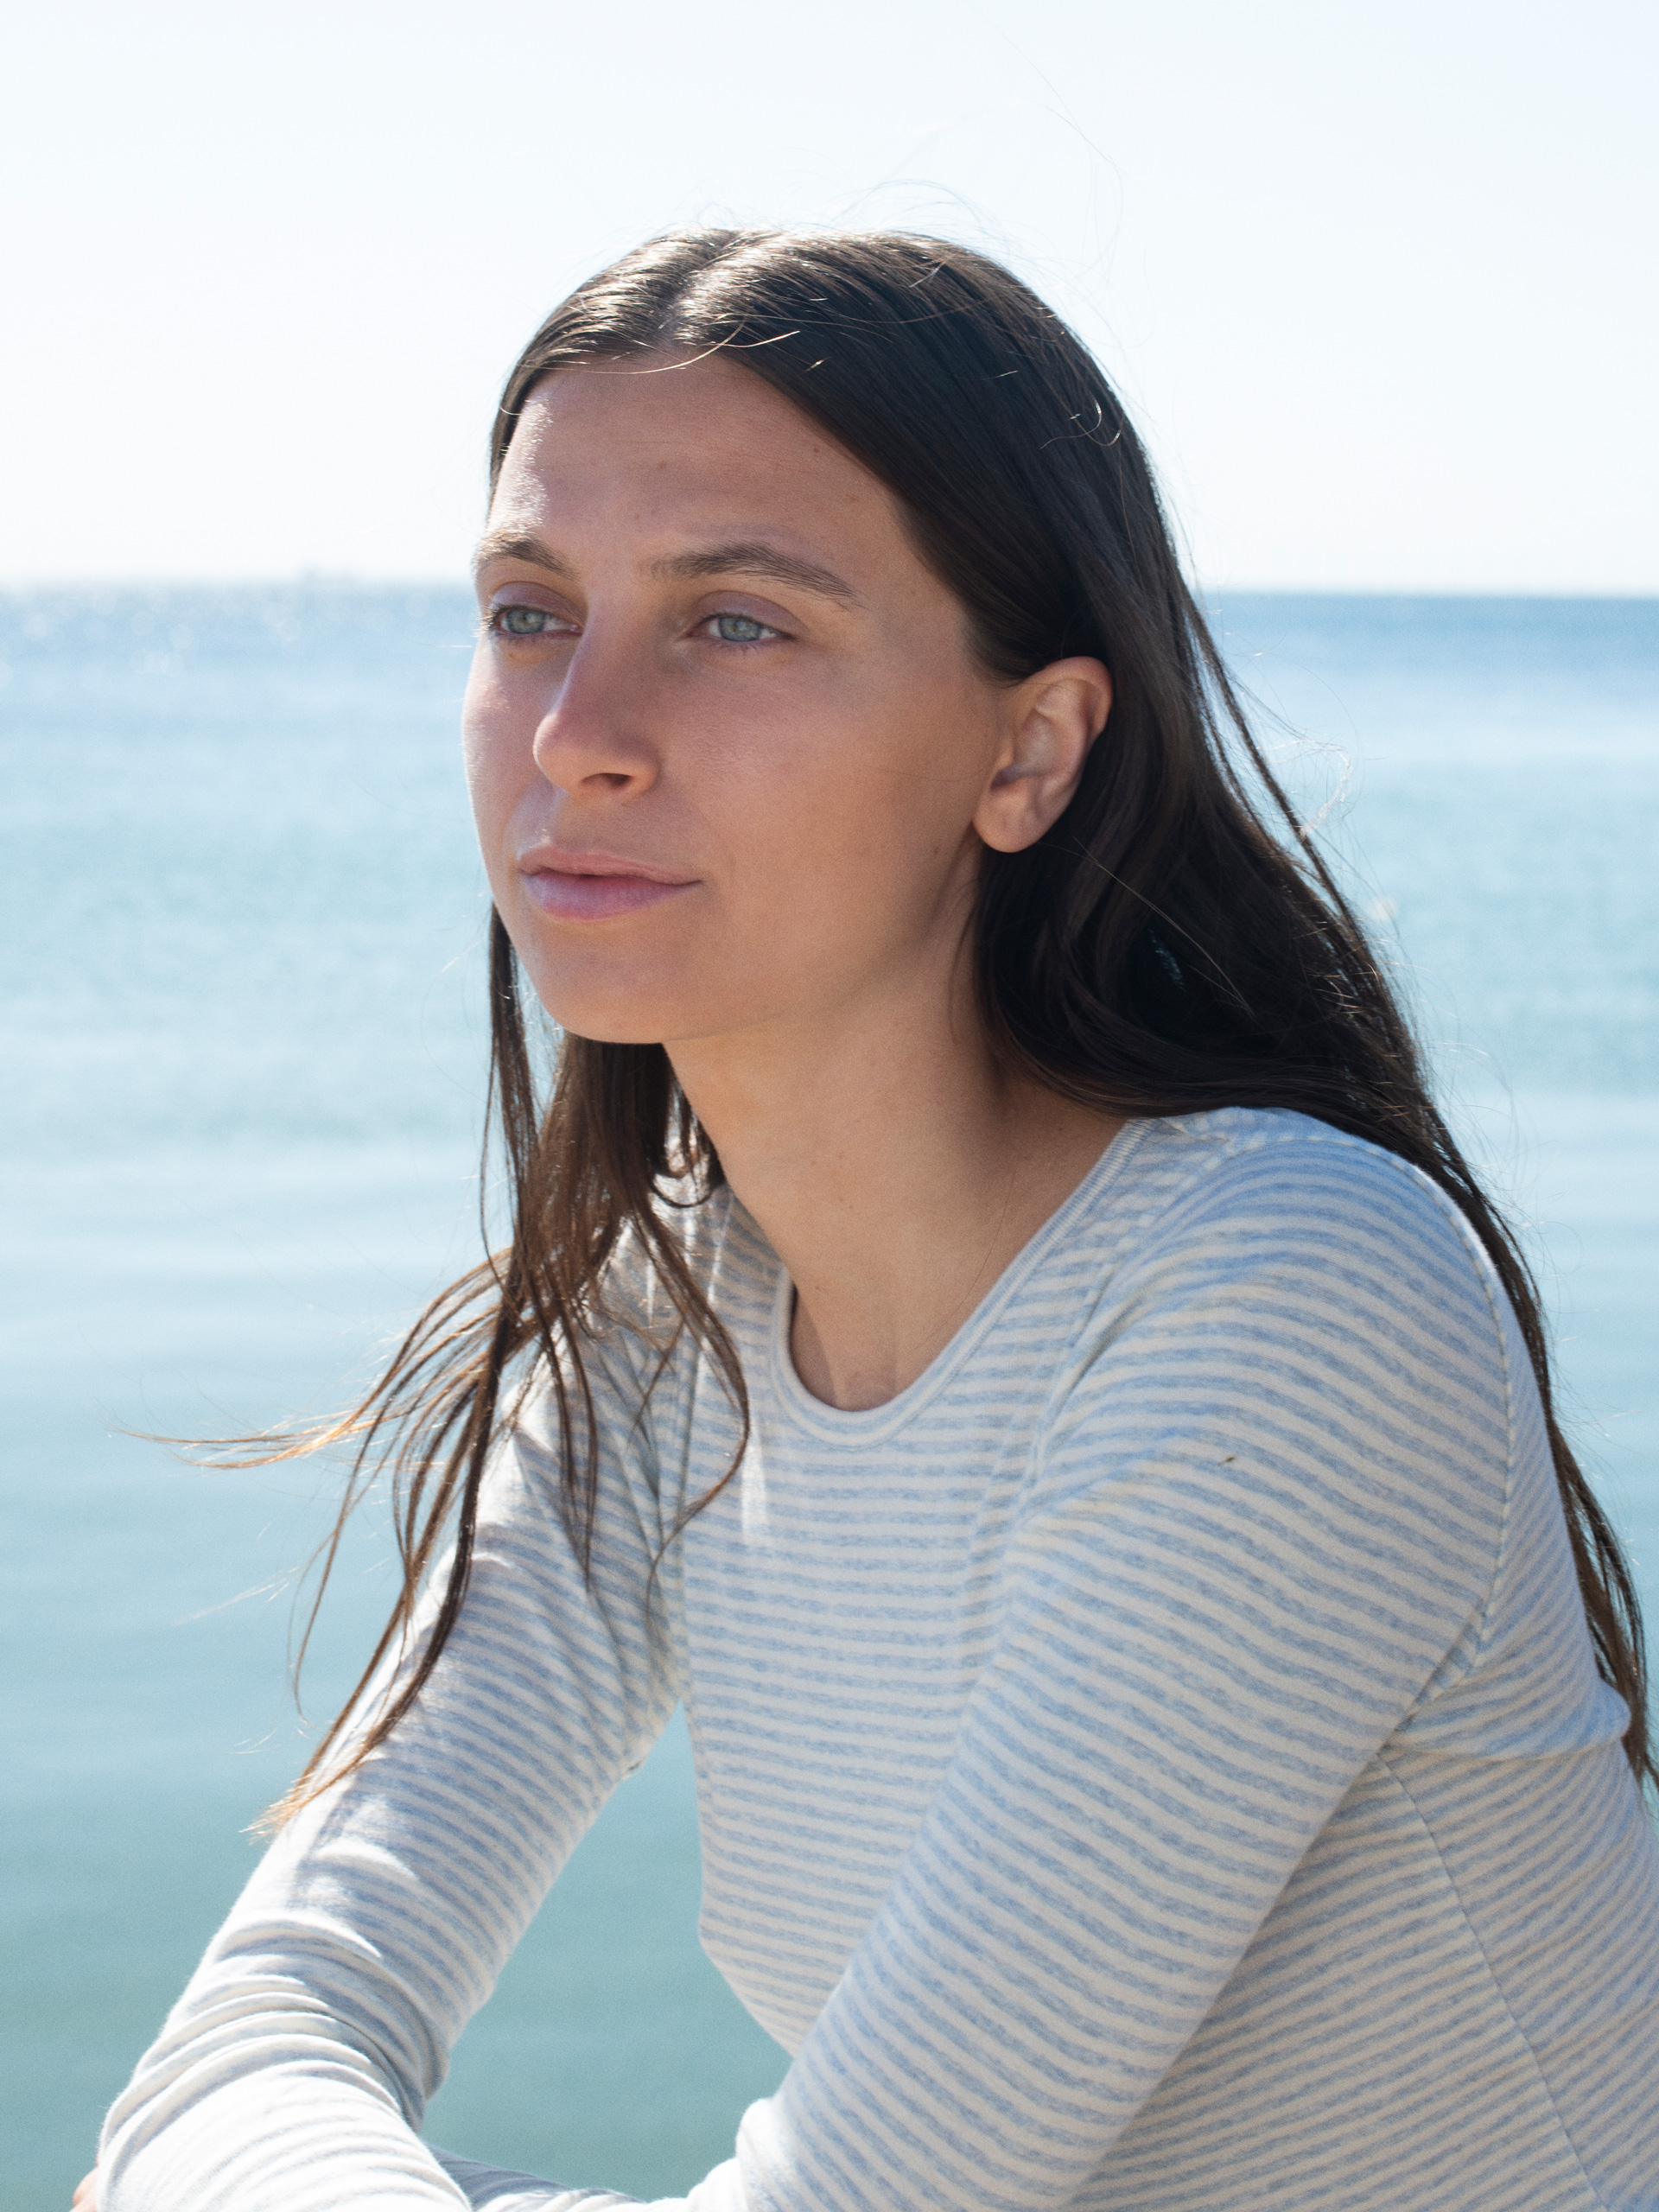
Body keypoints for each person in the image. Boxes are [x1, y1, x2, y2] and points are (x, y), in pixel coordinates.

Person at [85, 229, 1659, 2212]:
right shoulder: (663, 1328)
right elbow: (233, 2061)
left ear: (1029, 748)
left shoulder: (1285, 1299)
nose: (577, 728)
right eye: (528, 611)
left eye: (737, 622)